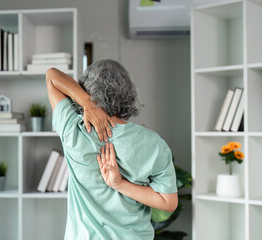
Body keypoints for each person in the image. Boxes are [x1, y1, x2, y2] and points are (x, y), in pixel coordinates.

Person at [46, 59, 178, 240]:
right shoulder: (154, 144)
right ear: (128, 93)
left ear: (86, 89)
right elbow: (168, 202)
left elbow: (52, 76)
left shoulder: (73, 129)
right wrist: (120, 185)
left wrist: (87, 102)